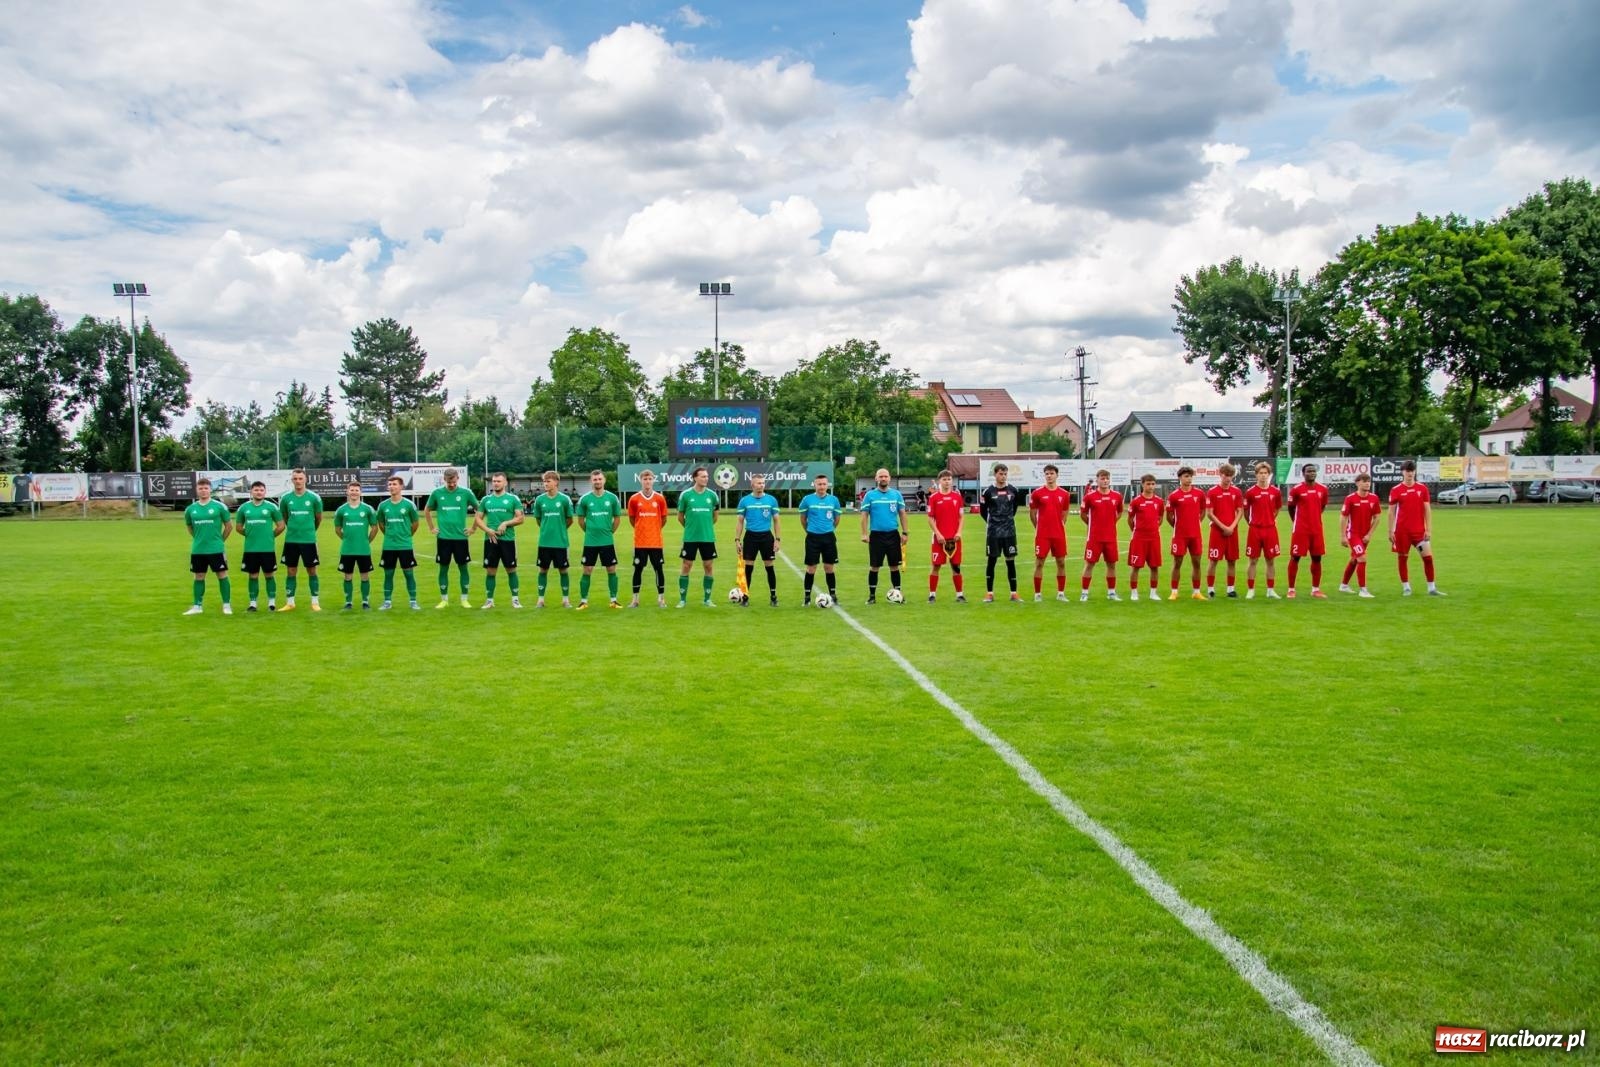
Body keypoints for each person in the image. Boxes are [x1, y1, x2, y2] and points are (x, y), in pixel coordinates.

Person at [1389, 460, 1445, 596]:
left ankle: (1431, 588)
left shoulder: (1422, 489)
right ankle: (1406, 587)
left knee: (1428, 558)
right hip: (1402, 532)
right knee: (1403, 558)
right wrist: (1390, 530)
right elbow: (1391, 511)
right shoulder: (1396, 490)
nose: (1410, 473)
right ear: (1402, 472)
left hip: (1419, 531)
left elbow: (1427, 509)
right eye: (1408, 471)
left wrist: (1428, 529)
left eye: (1412, 471)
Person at [424, 467, 479, 609]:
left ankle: (464, 599)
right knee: (443, 569)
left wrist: (473, 528)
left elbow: (479, 509)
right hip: (443, 538)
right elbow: (427, 509)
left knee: (463, 568)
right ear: (444, 480)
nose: (452, 484)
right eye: (449, 482)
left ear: (457, 479)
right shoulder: (437, 493)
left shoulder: (466, 493)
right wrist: (431, 527)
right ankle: (444, 600)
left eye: (454, 482)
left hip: (461, 538)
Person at [182, 476, 233, 615]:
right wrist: (199, 538)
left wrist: (220, 540)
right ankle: (197, 606)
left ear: (210, 490)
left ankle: (227, 605)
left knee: (222, 575)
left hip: (216, 548)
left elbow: (229, 526)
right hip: (198, 549)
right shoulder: (190, 509)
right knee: (198, 576)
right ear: (197, 490)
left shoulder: (219, 506)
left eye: (206, 488)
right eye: (200, 488)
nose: (203, 491)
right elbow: (189, 527)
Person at [475, 471, 525, 609]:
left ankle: (515, 600)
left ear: (505, 483)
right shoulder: (486, 500)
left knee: (511, 569)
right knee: (490, 571)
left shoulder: (513, 499)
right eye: (494, 481)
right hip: (491, 539)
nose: (496, 483)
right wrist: (487, 530)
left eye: (499, 481)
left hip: (508, 540)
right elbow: (478, 518)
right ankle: (489, 601)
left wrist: (506, 523)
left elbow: (521, 518)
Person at [575, 469, 624, 610]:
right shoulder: (585, 499)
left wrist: (609, 532)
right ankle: (583, 601)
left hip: (607, 541)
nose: (597, 481)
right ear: (591, 481)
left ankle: (614, 600)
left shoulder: (612, 498)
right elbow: (580, 520)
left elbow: (617, 518)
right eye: (595, 479)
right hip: (590, 542)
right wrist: (590, 531)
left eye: (599, 479)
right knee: (587, 570)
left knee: (611, 569)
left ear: (604, 480)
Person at [860, 468, 909, 604]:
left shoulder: (896, 495)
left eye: (885, 476)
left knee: (894, 566)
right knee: (874, 566)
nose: (883, 478)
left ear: (889, 478)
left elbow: (902, 514)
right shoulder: (870, 496)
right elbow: (864, 515)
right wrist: (864, 533)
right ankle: (871, 596)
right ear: (876, 479)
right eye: (880, 476)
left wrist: (905, 532)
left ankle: (898, 594)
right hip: (876, 535)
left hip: (893, 535)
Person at [978, 464, 1026, 603]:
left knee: (1010, 561)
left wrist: (1007, 521)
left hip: (1009, 532)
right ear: (995, 474)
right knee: (991, 561)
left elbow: (1015, 508)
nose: (1003, 476)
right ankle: (989, 593)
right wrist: (992, 523)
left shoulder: (1013, 490)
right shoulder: (988, 492)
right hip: (993, 532)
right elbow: (983, 511)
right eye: (1000, 474)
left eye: (1005, 474)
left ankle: (1014, 593)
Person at [234, 480, 284, 612]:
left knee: (269, 575)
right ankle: (253, 603)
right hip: (251, 549)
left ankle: (271, 603)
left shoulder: (272, 507)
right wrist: (250, 534)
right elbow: (238, 527)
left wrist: (270, 535)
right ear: (251, 492)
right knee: (253, 576)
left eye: (261, 490)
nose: (259, 492)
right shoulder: (244, 508)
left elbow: (281, 526)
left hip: (267, 548)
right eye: (256, 490)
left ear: (265, 492)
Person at [278, 468, 324, 612]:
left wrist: (309, 531)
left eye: (300, 478)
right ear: (292, 480)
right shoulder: (286, 498)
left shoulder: (314, 498)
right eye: (295, 479)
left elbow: (318, 519)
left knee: (312, 570)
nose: (298, 481)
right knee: (291, 571)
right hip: (291, 540)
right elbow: (285, 517)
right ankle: (290, 602)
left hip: (308, 540)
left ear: (305, 480)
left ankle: (315, 602)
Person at [734, 473, 782, 606]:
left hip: (766, 537)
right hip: (750, 537)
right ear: (752, 484)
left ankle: (773, 597)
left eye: (763, 483)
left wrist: (777, 539)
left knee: (769, 567)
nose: (761, 485)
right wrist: (737, 540)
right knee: (748, 568)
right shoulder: (745, 501)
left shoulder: (771, 500)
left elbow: (777, 521)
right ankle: (745, 598)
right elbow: (740, 521)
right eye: (758, 483)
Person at [375, 475, 422, 610]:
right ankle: (387, 602)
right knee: (388, 574)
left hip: (405, 545)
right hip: (389, 546)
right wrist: (390, 535)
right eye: (390, 484)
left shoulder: (409, 505)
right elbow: (381, 523)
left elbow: (415, 523)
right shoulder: (383, 506)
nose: (391, 487)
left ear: (401, 487)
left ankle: (413, 601)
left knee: (409, 573)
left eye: (394, 484)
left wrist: (406, 535)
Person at [1285, 463, 1330, 599]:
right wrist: (1297, 521)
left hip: (1316, 529)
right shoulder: (1296, 489)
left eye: (1313, 471)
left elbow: (1322, 506)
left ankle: (1315, 589)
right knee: (1295, 557)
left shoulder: (1323, 489)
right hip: (1300, 530)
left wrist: (1314, 518)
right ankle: (1291, 589)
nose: (1312, 473)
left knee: (1317, 558)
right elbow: (1291, 508)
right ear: (1303, 473)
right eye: (1309, 471)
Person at [677, 466, 720, 607]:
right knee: (686, 565)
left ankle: (707, 599)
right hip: (690, 538)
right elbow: (680, 517)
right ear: (695, 478)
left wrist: (705, 527)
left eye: (707, 476)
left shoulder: (712, 496)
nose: (706, 478)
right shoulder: (686, 495)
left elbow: (715, 517)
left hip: (707, 537)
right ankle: (682, 599)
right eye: (703, 476)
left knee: (708, 566)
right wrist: (691, 528)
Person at [531, 470, 574, 608]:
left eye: (548, 481)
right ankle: (540, 599)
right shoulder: (540, 500)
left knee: (563, 570)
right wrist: (547, 529)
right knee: (542, 570)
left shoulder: (564, 500)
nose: (545, 484)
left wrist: (559, 529)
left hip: (560, 542)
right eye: (544, 481)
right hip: (544, 542)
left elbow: (569, 519)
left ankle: (566, 600)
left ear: (556, 482)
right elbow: (538, 520)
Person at [332, 481, 379, 610]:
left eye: (356, 490)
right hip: (347, 549)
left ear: (360, 492)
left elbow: (375, 528)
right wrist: (346, 539)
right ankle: (348, 602)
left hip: (363, 549)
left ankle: (365, 601)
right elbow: (337, 529)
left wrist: (367, 541)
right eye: (351, 490)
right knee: (348, 576)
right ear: (347, 492)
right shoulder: (341, 510)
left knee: (365, 576)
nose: (354, 492)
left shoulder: (367, 509)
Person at [798, 472, 842, 605]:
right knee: (811, 568)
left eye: (824, 484)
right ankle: (807, 597)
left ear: (827, 485)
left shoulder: (834, 500)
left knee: (829, 567)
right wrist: (810, 530)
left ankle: (833, 595)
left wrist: (829, 529)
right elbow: (803, 519)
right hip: (812, 538)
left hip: (828, 537)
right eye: (819, 484)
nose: (822, 486)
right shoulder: (807, 499)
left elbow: (837, 518)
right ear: (814, 485)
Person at [1029, 463, 1072, 602]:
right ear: (1044, 475)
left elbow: (1065, 513)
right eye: (1047, 473)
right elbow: (1033, 513)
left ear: (1057, 475)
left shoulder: (1064, 494)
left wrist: (1059, 526)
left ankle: (1060, 593)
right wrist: (1039, 527)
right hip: (1043, 535)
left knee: (1061, 563)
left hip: (1058, 534)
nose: (1049, 476)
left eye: (1052, 473)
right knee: (1039, 563)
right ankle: (1037, 594)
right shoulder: (1037, 493)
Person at [1079, 469, 1124, 601]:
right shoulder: (1090, 497)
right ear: (1097, 480)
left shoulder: (1117, 496)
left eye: (1107, 478)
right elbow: (1083, 514)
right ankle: (1084, 593)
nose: (1105, 481)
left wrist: (1111, 522)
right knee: (1089, 564)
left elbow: (1120, 512)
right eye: (1102, 478)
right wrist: (1092, 524)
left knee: (1111, 565)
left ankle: (1111, 593)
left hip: (1110, 537)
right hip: (1094, 538)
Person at [627, 469, 669, 608]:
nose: (647, 481)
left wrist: (654, 529)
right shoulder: (634, 499)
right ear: (641, 481)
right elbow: (633, 519)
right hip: (640, 542)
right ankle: (635, 599)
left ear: (653, 480)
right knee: (638, 569)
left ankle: (661, 599)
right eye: (645, 479)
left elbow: (663, 519)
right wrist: (642, 529)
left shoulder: (659, 498)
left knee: (659, 569)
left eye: (650, 479)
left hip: (656, 542)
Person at [1166, 466, 1208, 601]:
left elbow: (1203, 511)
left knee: (1197, 562)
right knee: (1177, 563)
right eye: (1186, 476)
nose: (1188, 479)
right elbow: (1169, 515)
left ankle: (1196, 592)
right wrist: (1177, 526)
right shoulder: (1174, 496)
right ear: (1180, 478)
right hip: (1180, 536)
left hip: (1195, 535)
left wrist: (1197, 523)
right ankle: (1174, 591)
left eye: (1190, 476)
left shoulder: (1199, 494)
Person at [1338, 472, 1382, 598]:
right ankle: (1363, 590)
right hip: (1353, 534)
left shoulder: (1374, 498)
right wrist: (1343, 536)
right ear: (1357, 483)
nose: (1367, 483)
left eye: (1368, 481)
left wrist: (1369, 534)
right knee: (1362, 558)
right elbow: (1343, 517)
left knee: (1354, 560)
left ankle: (1344, 585)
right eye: (1364, 481)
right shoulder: (1350, 498)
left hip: (1365, 536)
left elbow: (1377, 517)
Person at [1244, 461, 1283, 600]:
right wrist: (1253, 523)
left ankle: (1270, 590)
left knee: (1271, 560)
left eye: (1265, 473)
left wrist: (1270, 519)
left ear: (1269, 474)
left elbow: (1277, 508)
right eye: (1260, 473)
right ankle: (1251, 589)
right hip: (1255, 530)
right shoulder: (1250, 492)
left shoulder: (1275, 491)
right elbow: (1246, 511)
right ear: (1256, 475)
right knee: (1253, 560)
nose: (1263, 476)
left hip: (1270, 530)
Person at [926, 469, 966, 602]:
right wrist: (938, 534)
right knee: (936, 566)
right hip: (939, 539)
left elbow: (961, 517)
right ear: (939, 481)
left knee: (956, 566)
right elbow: (930, 518)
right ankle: (932, 594)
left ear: (952, 481)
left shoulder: (957, 497)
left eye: (949, 479)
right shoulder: (933, 498)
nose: (947, 481)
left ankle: (959, 595)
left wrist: (959, 532)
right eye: (944, 479)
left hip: (955, 538)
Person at [1206, 463, 1245, 598]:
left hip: (1232, 531)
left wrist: (1232, 527)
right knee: (1213, 560)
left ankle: (1230, 589)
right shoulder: (1212, 492)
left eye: (1230, 476)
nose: (1227, 478)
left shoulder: (1237, 492)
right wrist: (1223, 527)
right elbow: (1209, 513)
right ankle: (1210, 588)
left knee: (1232, 560)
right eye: (1225, 475)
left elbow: (1240, 511)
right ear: (1220, 474)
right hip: (1217, 531)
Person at [1126, 474, 1166, 602]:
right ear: (1142, 484)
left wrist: (1153, 528)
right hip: (1139, 538)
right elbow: (1130, 519)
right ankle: (1134, 592)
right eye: (1148, 484)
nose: (1151, 486)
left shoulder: (1159, 501)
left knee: (1154, 566)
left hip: (1154, 538)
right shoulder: (1136, 501)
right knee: (1136, 566)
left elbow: (1160, 518)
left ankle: (1153, 593)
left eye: (1153, 484)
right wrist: (1137, 530)